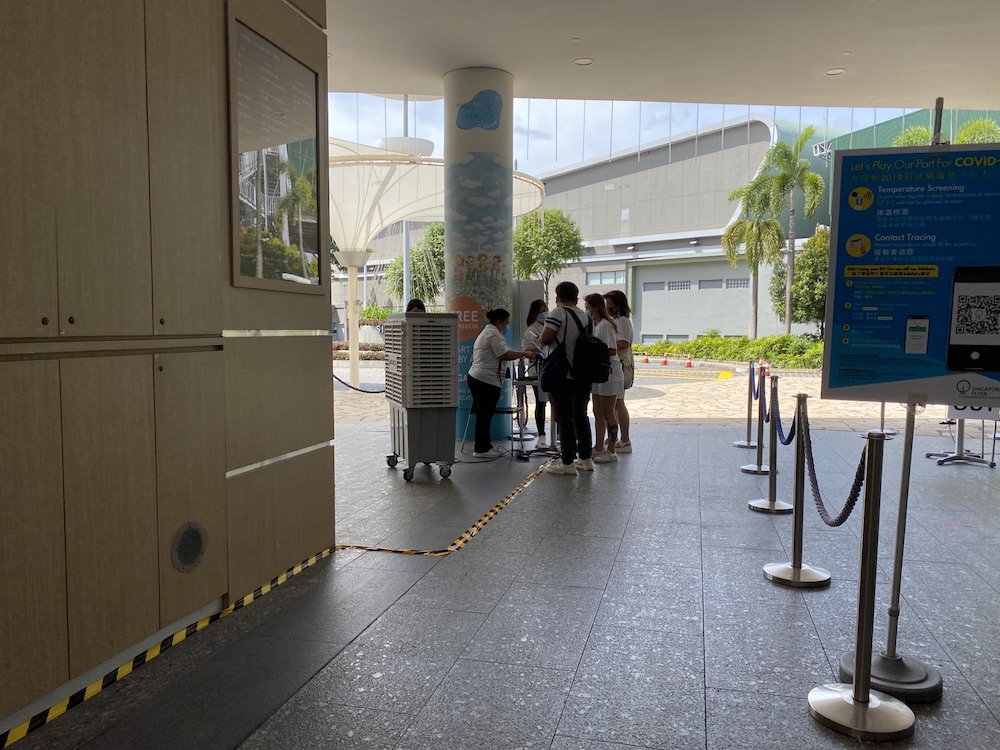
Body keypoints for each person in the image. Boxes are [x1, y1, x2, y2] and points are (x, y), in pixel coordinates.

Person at [539, 281, 593, 475]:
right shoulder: (586, 316)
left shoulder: (557, 313)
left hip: (563, 374)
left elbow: (545, 338)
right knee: (581, 415)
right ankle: (585, 458)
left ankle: (568, 462)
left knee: (565, 418)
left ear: (558, 296)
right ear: (576, 295)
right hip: (583, 375)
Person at [467, 309, 531, 458]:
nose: (507, 325)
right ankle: (481, 449)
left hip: (478, 377)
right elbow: (504, 354)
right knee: (485, 415)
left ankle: (484, 445)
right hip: (485, 380)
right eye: (506, 322)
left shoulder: (488, 332)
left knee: (484, 415)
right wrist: (524, 353)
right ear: (499, 321)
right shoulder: (493, 334)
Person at [584, 293, 623, 463]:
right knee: (597, 411)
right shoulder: (595, 325)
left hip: (609, 373)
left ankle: (611, 451)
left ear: (595, 307)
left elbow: (611, 350)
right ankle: (598, 446)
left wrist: (592, 354)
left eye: (588, 307)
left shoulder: (606, 326)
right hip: (597, 374)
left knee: (608, 412)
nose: (587, 310)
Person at [604, 289, 634, 453]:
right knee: (614, 405)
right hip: (616, 365)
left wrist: (607, 344)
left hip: (620, 365)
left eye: (610, 303)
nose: (608, 306)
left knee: (618, 404)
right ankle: (615, 437)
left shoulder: (623, 321)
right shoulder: (616, 320)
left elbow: (623, 343)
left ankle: (625, 439)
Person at [521, 299, 552, 448]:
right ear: (536, 313)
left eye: (546, 310)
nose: (545, 313)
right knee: (541, 403)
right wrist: (539, 346)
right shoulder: (532, 329)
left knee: (555, 402)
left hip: (552, 368)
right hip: (537, 370)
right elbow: (526, 349)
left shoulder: (550, 325)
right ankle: (541, 435)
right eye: (542, 311)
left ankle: (557, 433)